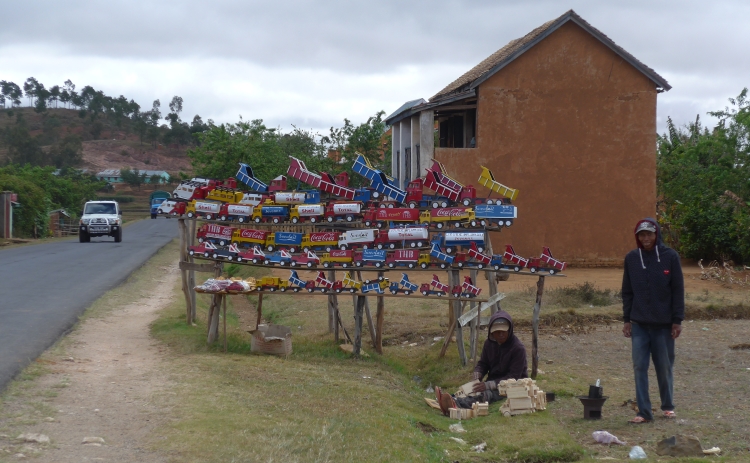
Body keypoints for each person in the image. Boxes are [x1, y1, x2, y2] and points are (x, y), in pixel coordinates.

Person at [622, 218, 684, 424]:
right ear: (637, 237)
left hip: (664, 326)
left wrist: (677, 320)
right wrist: (627, 319)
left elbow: (678, 290)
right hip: (639, 324)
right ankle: (644, 412)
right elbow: (627, 291)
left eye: (649, 234)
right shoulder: (632, 258)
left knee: (664, 366)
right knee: (639, 367)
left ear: (656, 235)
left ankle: (667, 406)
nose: (646, 238)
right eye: (642, 235)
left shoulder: (670, 257)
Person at [435, 310, 528, 414]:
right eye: (497, 332)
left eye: (504, 331)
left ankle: (456, 404)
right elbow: (483, 363)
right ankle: (450, 399)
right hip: (492, 382)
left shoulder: (518, 348)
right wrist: (478, 372)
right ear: (492, 332)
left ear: (509, 330)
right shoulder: (489, 344)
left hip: (513, 387)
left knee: (487, 395)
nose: (501, 334)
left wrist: (488, 385)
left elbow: (513, 377)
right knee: (471, 390)